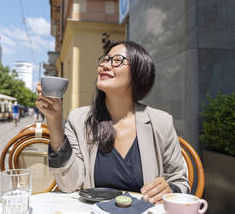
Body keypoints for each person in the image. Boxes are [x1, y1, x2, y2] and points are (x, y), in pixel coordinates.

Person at [36, 41, 189, 204]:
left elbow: (181, 182)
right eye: (105, 59)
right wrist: (54, 121)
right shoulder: (79, 120)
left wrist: (169, 189)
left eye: (117, 60)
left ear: (139, 72)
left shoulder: (161, 122)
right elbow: (69, 185)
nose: (106, 65)